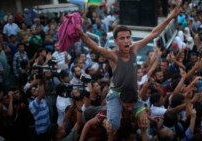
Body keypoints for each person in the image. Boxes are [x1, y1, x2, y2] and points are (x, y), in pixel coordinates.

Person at [77, 1, 182, 134]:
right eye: (122, 38)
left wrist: (171, 16)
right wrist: (82, 35)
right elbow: (95, 47)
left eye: (128, 37)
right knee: (113, 126)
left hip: (133, 95)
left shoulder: (135, 48)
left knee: (145, 123)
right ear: (116, 41)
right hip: (116, 95)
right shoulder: (113, 55)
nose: (127, 41)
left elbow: (154, 33)